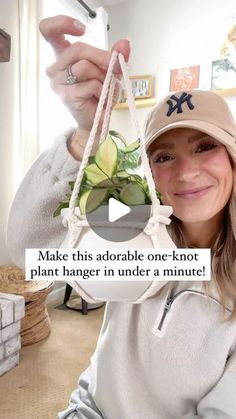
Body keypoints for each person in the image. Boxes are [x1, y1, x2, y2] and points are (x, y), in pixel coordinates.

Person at [6, 15, 236, 419]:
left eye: (205, 147)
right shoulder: (132, 227)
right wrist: (83, 136)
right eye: (164, 156)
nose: (186, 172)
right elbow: (28, 253)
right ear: (148, 173)